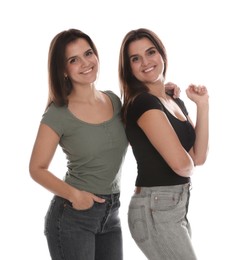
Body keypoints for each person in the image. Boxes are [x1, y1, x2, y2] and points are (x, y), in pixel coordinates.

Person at [29, 28, 180, 260]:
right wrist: (75, 196)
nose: (85, 63)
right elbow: (36, 169)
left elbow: (144, 109)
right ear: (63, 70)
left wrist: (164, 92)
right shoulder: (57, 113)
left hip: (111, 214)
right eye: (73, 60)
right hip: (73, 217)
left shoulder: (114, 100)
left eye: (88, 54)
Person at [118, 28, 209, 260]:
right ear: (128, 68)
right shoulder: (143, 103)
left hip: (174, 206)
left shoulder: (173, 99)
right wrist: (185, 161)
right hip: (155, 208)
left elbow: (198, 157)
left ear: (162, 54)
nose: (146, 62)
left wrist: (202, 105)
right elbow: (182, 164)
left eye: (151, 52)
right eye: (135, 58)